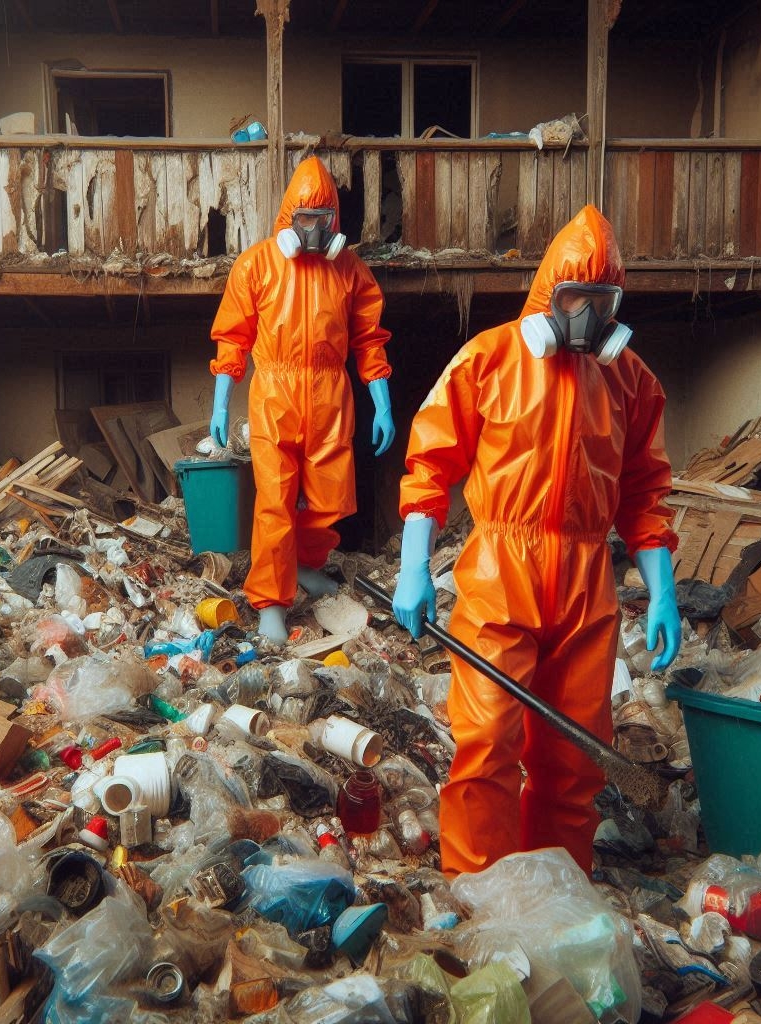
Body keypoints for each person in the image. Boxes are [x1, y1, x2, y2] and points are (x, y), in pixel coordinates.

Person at [392, 205, 681, 877]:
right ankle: (478, 891)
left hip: (586, 584)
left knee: (573, 755)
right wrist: (414, 566)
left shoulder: (630, 380)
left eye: (601, 302)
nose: (586, 317)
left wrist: (663, 592)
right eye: (575, 298)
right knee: (488, 738)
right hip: (501, 571)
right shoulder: (490, 360)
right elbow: (431, 462)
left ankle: (555, 886)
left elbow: (646, 493)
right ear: (549, 294)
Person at [209, 156, 395, 643]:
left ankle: (308, 567)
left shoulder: (350, 270)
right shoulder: (257, 265)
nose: (313, 231)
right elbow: (234, 338)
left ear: (335, 222)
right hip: (275, 394)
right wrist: (220, 402)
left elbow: (369, 339)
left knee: (327, 498)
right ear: (288, 220)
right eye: (304, 221)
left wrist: (383, 399)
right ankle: (271, 600)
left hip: (331, 394)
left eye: (323, 221)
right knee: (274, 500)